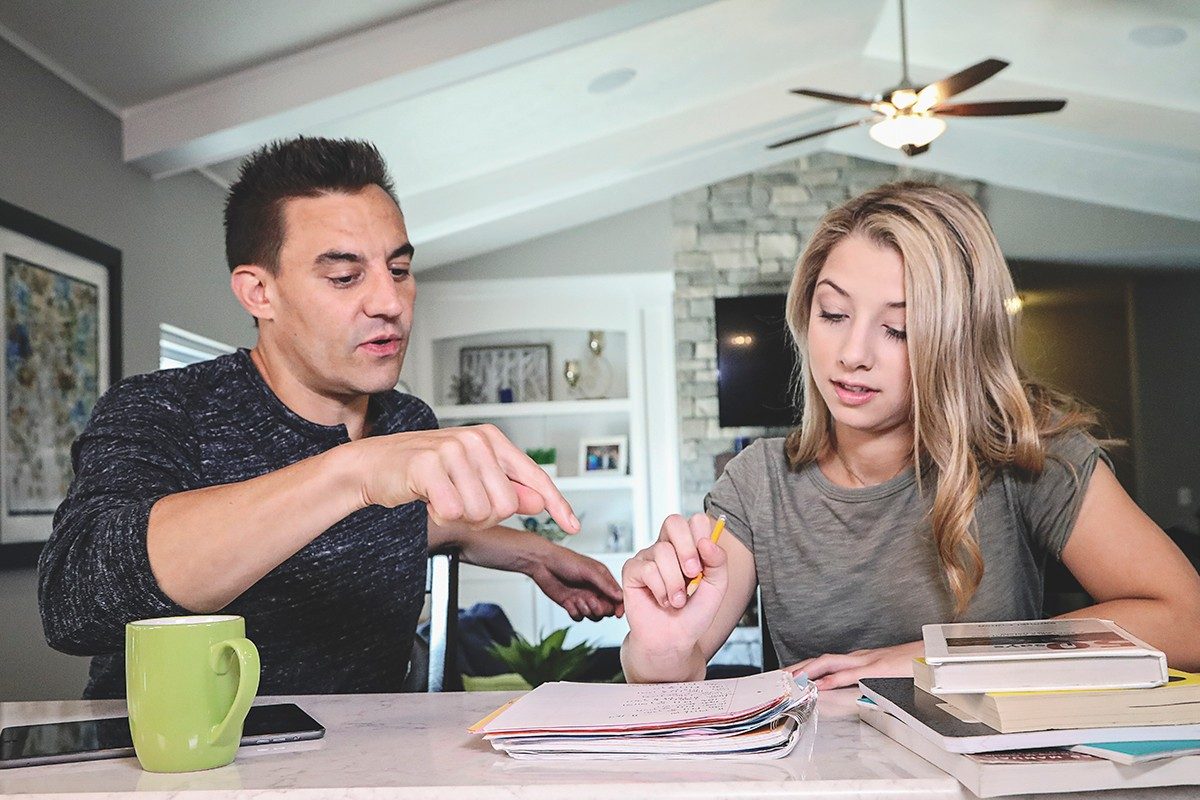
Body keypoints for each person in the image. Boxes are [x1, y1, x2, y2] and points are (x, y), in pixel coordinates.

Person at [38, 136, 623, 699]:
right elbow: (75, 603)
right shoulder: (162, 408)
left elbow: (392, 526)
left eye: (398, 270)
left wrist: (532, 553)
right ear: (258, 293)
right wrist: (352, 473)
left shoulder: (407, 420)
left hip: (366, 766)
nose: (389, 303)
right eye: (344, 277)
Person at [620, 181, 1200, 688]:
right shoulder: (758, 481)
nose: (852, 355)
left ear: (957, 339)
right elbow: (675, 667)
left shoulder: (1029, 458)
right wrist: (663, 644)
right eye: (833, 314)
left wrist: (936, 657)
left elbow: (1187, 621)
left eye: (897, 328)